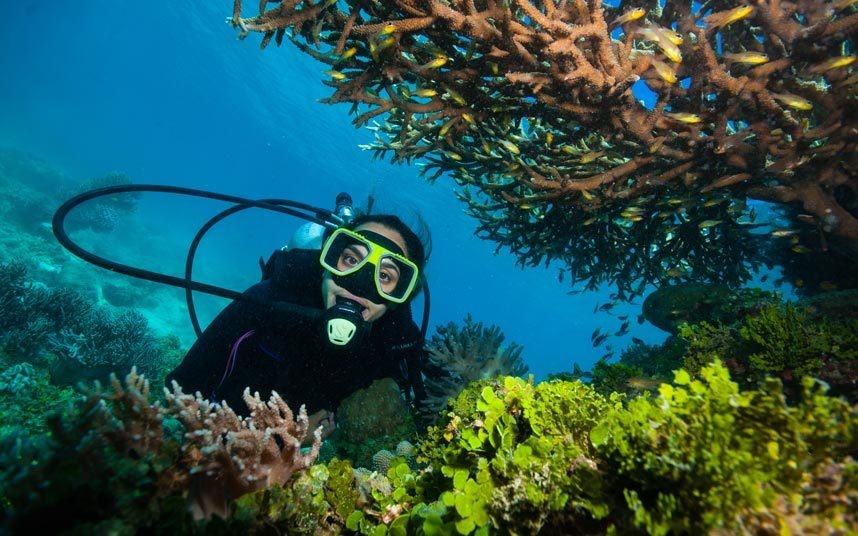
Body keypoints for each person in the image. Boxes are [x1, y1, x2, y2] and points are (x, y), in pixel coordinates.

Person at [166, 213, 430, 439]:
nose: (359, 283)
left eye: (384, 275)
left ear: (401, 295)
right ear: (329, 260)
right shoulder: (268, 303)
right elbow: (182, 392)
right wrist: (289, 434)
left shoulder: (397, 343)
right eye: (351, 260)